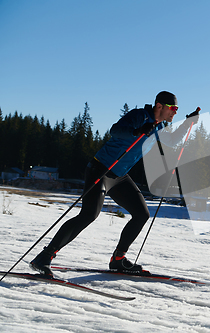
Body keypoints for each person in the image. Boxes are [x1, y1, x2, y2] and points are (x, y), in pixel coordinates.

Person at [30, 91, 197, 276]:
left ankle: (118, 260)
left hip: (119, 176)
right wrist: (137, 130)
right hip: (100, 169)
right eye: (173, 108)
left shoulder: (158, 127)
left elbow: (172, 141)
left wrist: (187, 125)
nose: (175, 112)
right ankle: (44, 257)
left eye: (177, 109)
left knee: (141, 214)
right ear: (159, 106)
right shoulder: (139, 116)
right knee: (89, 215)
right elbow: (115, 130)